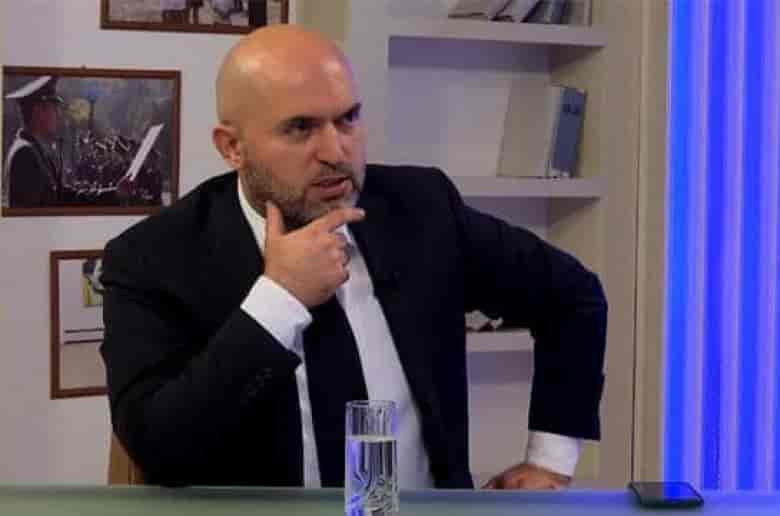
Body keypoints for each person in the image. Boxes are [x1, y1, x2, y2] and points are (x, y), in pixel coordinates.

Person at [100, 25, 607, 490]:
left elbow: (572, 296)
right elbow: (158, 448)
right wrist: (278, 300)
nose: (335, 151)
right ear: (233, 147)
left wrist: (551, 460)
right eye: (300, 128)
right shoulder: (153, 259)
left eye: (348, 119)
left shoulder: (422, 208)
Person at [3, 76, 64, 208]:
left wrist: (108, 194)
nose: (58, 115)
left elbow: (61, 196)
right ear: (38, 112)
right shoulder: (25, 153)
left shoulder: (33, 149)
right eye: (54, 108)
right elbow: (30, 214)